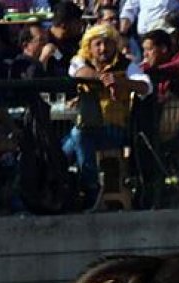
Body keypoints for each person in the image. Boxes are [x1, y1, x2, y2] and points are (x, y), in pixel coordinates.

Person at [63, 23, 153, 201]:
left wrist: (122, 82)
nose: (103, 48)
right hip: (86, 127)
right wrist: (103, 78)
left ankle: (89, 188)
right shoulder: (80, 61)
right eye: (98, 44)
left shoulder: (126, 65)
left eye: (107, 43)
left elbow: (146, 86)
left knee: (75, 138)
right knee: (68, 143)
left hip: (114, 130)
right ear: (89, 46)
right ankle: (71, 188)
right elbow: (78, 72)